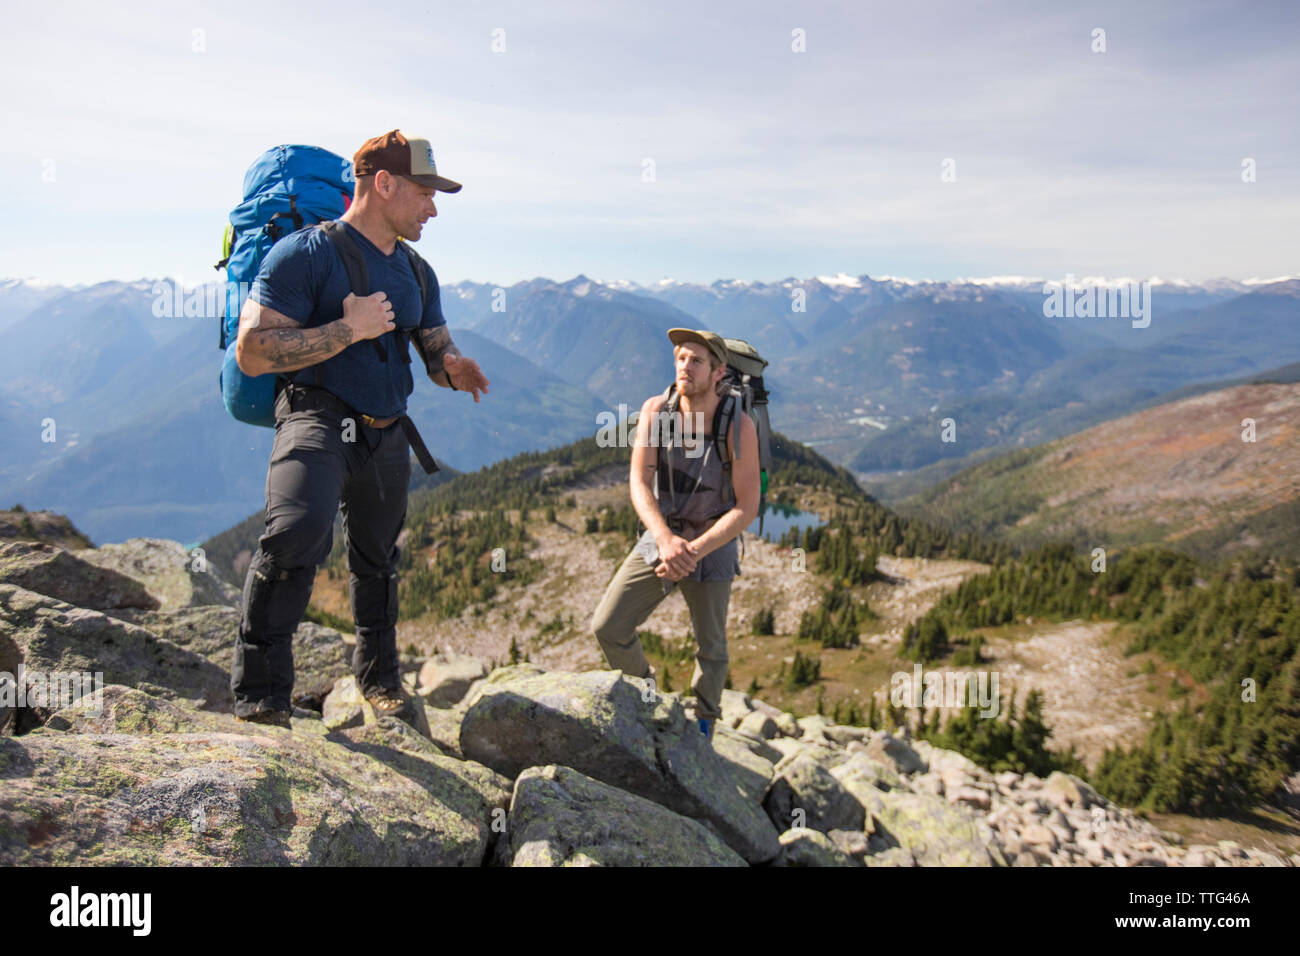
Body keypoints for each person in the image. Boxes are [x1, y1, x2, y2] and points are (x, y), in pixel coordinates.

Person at [230, 129, 489, 728]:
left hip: (387, 430)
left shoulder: (418, 272)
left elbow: (434, 351)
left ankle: (380, 680)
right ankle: (262, 696)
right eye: (426, 192)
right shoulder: (305, 254)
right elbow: (253, 351)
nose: (433, 206)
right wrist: (349, 330)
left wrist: (454, 370)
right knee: (296, 533)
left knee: (377, 560)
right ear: (383, 183)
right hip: (316, 418)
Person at [590, 328, 759, 742]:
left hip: (713, 541)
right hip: (664, 536)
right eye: (681, 357)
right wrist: (666, 540)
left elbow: (746, 506)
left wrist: (695, 550)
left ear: (718, 372)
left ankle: (703, 724)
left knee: (711, 647)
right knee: (608, 626)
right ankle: (649, 701)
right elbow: (639, 481)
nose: (685, 366)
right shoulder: (656, 411)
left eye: (696, 360)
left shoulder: (738, 426)